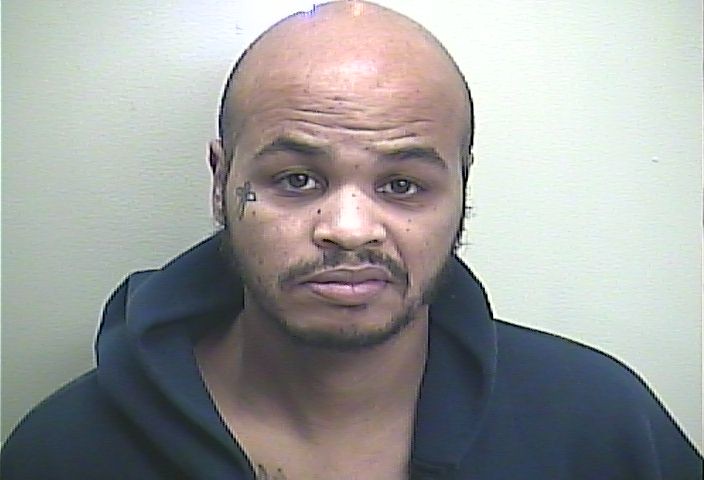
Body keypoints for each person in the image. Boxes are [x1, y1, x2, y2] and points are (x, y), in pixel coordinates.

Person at [1, 1, 701, 479]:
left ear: (461, 191)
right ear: (221, 182)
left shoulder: (601, 424)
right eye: (297, 179)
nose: (349, 228)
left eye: (402, 185)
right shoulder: (65, 451)